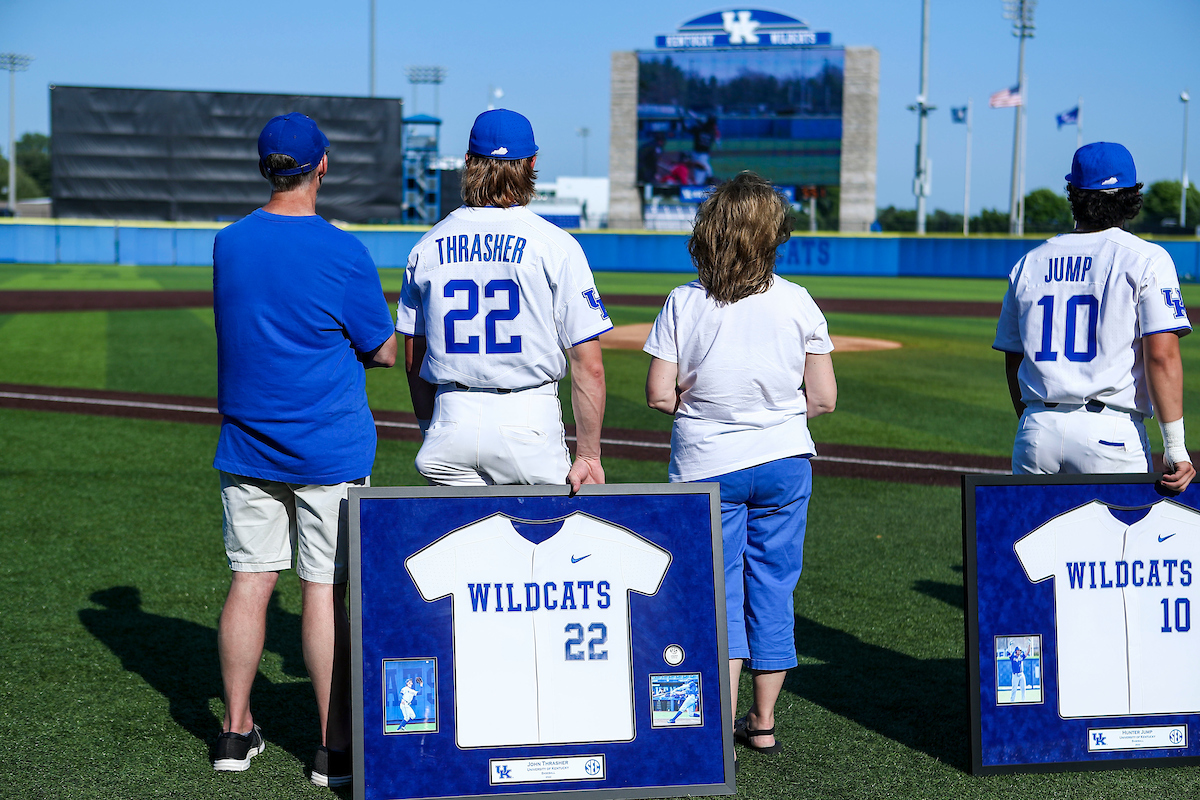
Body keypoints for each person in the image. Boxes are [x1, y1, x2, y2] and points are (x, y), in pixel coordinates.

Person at [211, 112, 397, 787]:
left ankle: (234, 733)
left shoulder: (228, 243)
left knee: (251, 580)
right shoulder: (343, 250)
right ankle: (333, 749)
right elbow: (382, 349)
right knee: (324, 591)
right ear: (322, 166)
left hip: (248, 444)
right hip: (330, 446)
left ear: (266, 166)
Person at [643, 171, 837, 756]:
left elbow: (659, 394)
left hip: (708, 464)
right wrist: (770, 412)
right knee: (773, 589)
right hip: (784, 460)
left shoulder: (684, 301)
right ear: (772, 235)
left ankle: (719, 727)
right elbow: (824, 399)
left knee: (717, 593)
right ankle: (764, 722)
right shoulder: (799, 300)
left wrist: (711, 409)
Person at [397, 109, 611, 490]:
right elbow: (588, 365)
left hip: (451, 417)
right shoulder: (555, 245)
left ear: (467, 162)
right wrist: (590, 456)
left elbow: (414, 355)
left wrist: (433, 427)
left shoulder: (426, 246)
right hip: (528, 420)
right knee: (542, 543)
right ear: (530, 163)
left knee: (460, 547)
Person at [994, 142, 1194, 491]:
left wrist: (1035, 421)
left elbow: (1015, 359)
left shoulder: (1029, 262)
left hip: (1037, 429)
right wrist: (1175, 447)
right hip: (1110, 435)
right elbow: (1161, 356)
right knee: (1119, 544)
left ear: (1074, 193)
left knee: (1036, 544)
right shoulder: (1147, 258)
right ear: (1131, 196)